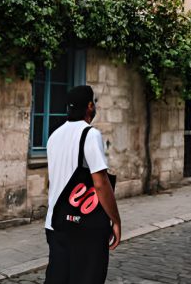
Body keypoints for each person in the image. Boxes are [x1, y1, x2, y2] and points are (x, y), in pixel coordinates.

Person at [44, 85, 121, 284]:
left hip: (55, 223)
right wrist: (116, 220)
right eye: (93, 103)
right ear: (89, 106)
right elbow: (101, 183)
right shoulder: (90, 134)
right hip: (83, 227)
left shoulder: (54, 136)